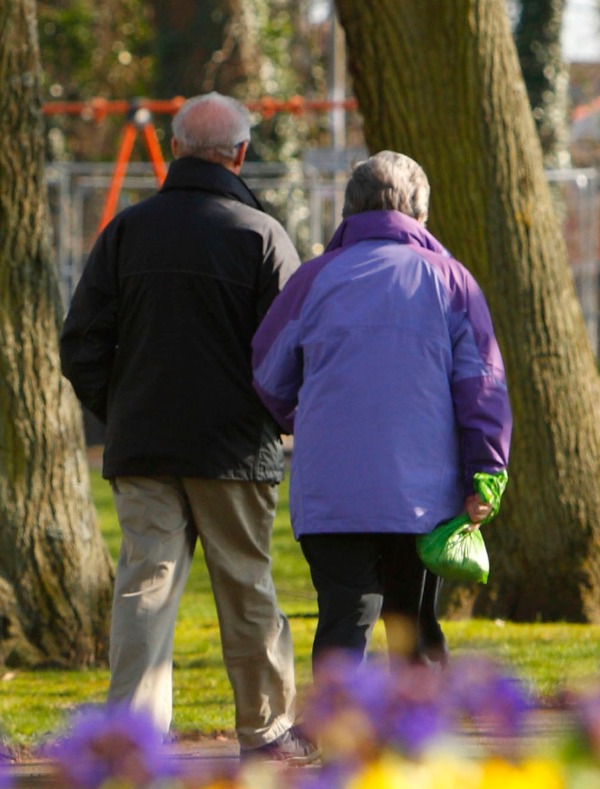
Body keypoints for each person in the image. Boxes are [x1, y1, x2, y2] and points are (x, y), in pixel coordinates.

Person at [59, 92, 316, 764]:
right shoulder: (261, 236)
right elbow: (294, 348)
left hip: (144, 443)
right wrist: (272, 417)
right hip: (234, 447)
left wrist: (120, 409)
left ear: (174, 149)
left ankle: (132, 742)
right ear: (240, 152)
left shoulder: (125, 232)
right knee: (247, 586)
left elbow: (82, 340)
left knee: (145, 587)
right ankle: (264, 732)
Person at [251, 151, 512, 674]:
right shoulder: (452, 281)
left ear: (350, 210)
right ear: (420, 213)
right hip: (420, 490)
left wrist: (303, 420)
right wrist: (486, 470)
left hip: (331, 487)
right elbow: (481, 383)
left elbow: (268, 373)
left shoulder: (314, 278)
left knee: (344, 616)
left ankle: (331, 730)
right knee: (410, 620)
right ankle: (421, 735)